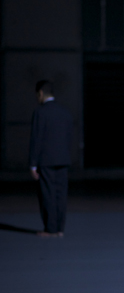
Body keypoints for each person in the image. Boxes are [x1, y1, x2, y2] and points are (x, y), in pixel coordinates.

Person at [29, 80, 74, 237]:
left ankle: (50, 229)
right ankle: (60, 229)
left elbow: (36, 139)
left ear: (40, 93)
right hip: (63, 159)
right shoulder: (65, 112)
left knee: (47, 195)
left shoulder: (40, 113)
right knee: (60, 196)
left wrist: (33, 164)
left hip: (46, 161)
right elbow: (69, 138)